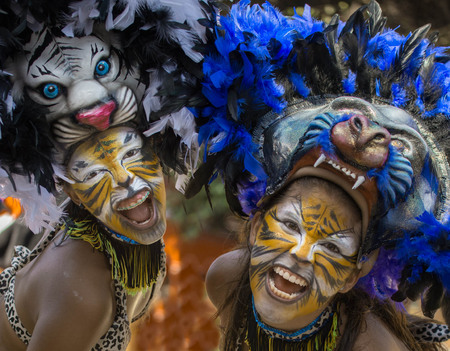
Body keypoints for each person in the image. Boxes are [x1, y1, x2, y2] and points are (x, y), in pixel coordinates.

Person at [164, 0, 450, 349]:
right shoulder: (226, 280)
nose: (302, 252)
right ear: (255, 227)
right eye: (289, 225)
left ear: (353, 272)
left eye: (332, 245)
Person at [0, 126, 167, 350]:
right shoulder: (81, 292)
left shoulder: (131, 234)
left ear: (155, 148)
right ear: (75, 195)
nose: (124, 179)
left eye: (130, 153)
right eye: (93, 173)